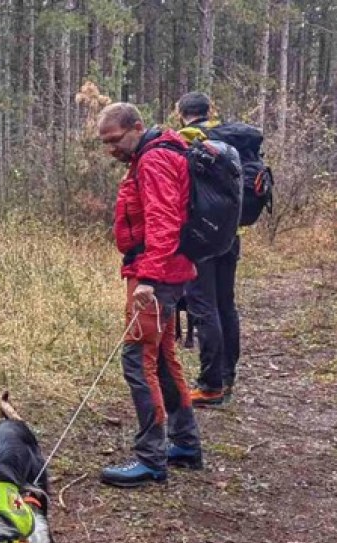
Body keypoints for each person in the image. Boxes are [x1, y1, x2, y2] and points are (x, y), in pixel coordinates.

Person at [97, 102, 203, 488]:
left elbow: (164, 221)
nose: (111, 149)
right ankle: (186, 445)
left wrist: (148, 279)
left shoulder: (155, 160)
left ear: (136, 127)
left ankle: (150, 458)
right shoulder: (152, 154)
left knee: (138, 360)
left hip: (156, 276)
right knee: (161, 358)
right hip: (164, 272)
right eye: (104, 143)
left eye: (114, 139)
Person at [177, 91, 241, 406]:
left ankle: (210, 385)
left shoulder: (189, 139)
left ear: (181, 113)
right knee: (226, 304)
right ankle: (227, 377)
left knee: (203, 307)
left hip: (201, 240)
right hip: (230, 235)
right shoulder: (232, 140)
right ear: (209, 111)